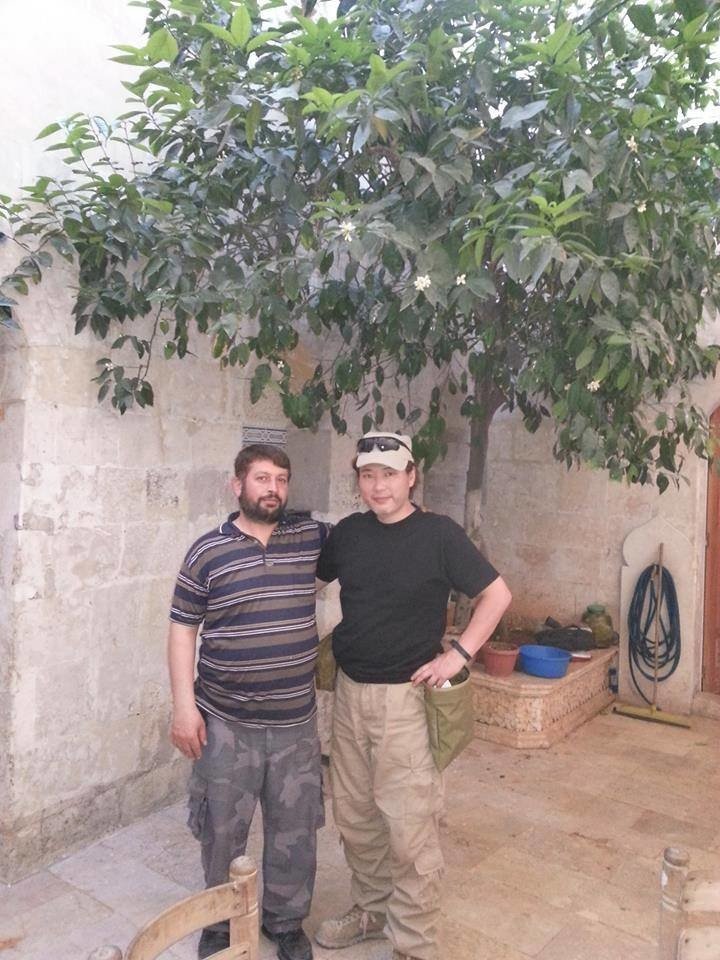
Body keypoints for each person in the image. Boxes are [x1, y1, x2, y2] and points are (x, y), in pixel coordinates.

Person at [314, 431, 512, 960]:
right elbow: (310, 582)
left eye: (389, 474)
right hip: (350, 695)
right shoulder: (349, 534)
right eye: (368, 475)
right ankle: (372, 909)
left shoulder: (438, 535)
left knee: (409, 827)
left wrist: (459, 655)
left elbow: (497, 595)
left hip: (406, 701)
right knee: (356, 816)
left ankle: (414, 943)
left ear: (411, 476)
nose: (378, 486)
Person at [167, 444, 329, 960]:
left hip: (295, 725)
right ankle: (220, 923)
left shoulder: (310, 539)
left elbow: (370, 544)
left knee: (295, 830)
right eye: (262, 478)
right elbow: (182, 630)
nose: (273, 489)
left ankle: (285, 922)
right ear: (237, 485)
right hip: (225, 724)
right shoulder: (207, 552)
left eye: (281, 479)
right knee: (221, 830)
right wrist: (184, 707)